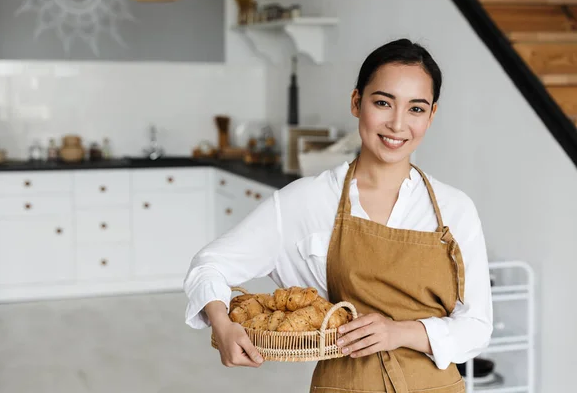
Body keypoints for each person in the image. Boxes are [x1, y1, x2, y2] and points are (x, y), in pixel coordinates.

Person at [184, 38, 493, 393]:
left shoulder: (455, 209)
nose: (397, 124)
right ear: (356, 102)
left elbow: (477, 326)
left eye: (416, 109)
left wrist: (399, 332)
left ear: (431, 115)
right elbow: (209, 265)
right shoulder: (308, 200)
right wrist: (222, 325)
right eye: (382, 103)